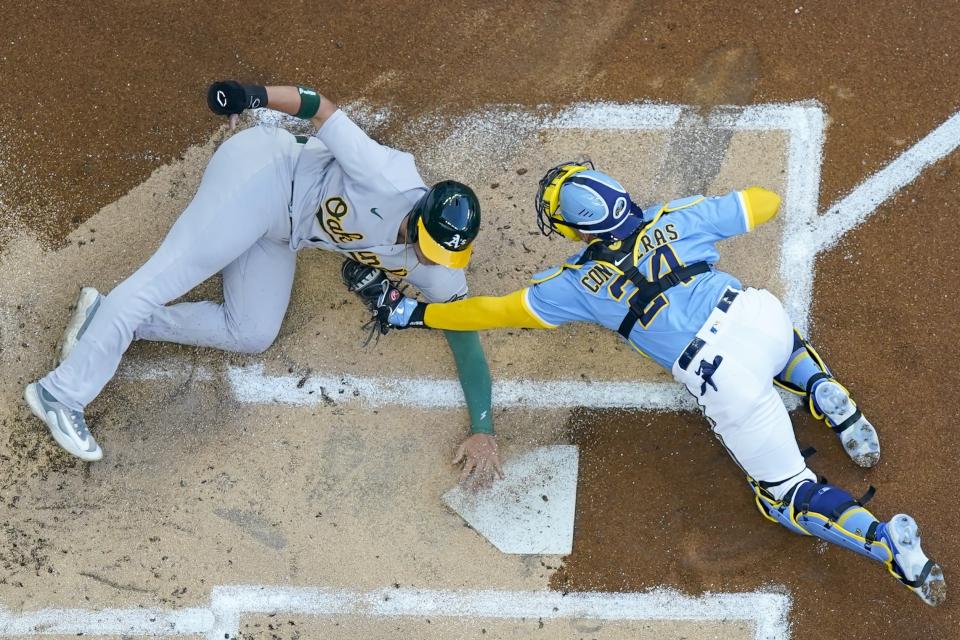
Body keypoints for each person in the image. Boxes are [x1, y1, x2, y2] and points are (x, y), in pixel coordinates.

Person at [372, 160, 946, 605]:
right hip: (756, 319)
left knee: (784, 496)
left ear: (578, 230)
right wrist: (685, 217)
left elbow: (488, 313)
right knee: (771, 328)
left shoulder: (573, 283)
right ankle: (829, 397)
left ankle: (889, 547)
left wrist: (415, 315)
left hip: (724, 378)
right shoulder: (676, 217)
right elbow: (763, 203)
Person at [24, 80, 503, 484]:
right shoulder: (385, 175)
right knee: (162, 277)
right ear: (418, 215)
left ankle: (105, 319)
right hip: (262, 175)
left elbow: (464, 331)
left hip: (281, 233)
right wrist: (250, 94)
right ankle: (60, 393)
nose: (429, 259)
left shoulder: (440, 265)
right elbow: (319, 107)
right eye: (428, 245)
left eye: (443, 254)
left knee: (252, 331)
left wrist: (484, 426)